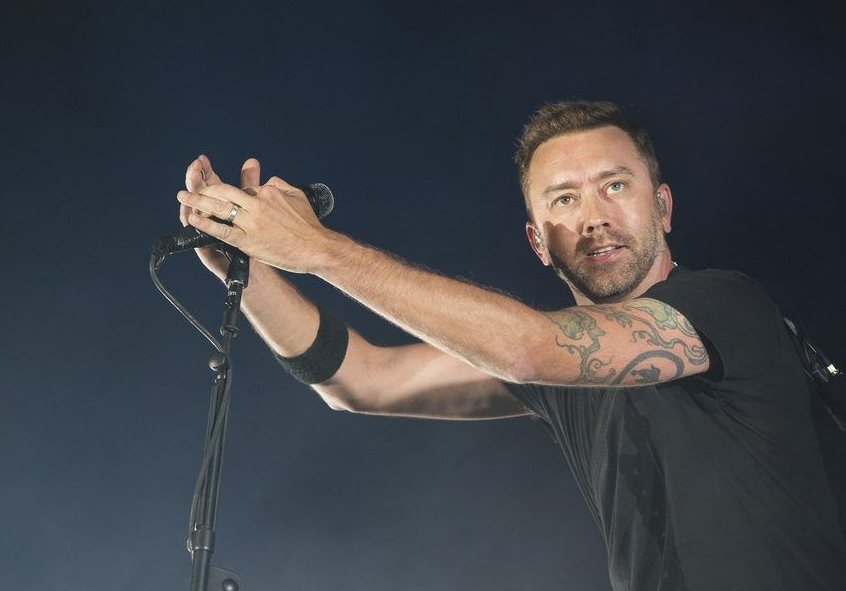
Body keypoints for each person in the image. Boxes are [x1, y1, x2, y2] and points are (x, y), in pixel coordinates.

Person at [174, 100, 846, 591]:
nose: (593, 216)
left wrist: (319, 250)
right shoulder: (559, 371)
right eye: (563, 199)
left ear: (662, 207)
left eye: (616, 185)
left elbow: (533, 346)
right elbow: (361, 378)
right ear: (536, 240)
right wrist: (250, 270)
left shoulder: (723, 305)